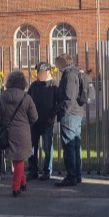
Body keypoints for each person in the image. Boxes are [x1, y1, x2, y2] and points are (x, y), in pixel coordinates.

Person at [0, 71, 38, 197]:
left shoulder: (3, 97)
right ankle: (16, 186)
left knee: (16, 159)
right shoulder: (26, 98)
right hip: (23, 132)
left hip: (8, 132)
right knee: (20, 159)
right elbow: (34, 117)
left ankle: (23, 182)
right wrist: (26, 123)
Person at [54, 54, 84, 187]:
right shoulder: (75, 73)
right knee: (75, 145)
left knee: (69, 146)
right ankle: (77, 175)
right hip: (76, 113)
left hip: (70, 114)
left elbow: (69, 97)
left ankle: (71, 176)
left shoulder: (69, 75)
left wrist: (62, 112)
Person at [27, 62, 59, 182]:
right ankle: (32, 170)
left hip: (47, 121)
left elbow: (59, 103)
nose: (40, 75)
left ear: (48, 72)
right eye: (38, 73)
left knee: (47, 147)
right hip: (34, 122)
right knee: (32, 147)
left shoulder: (53, 86)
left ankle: (47, 171)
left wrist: (52, 116)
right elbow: (27, 100)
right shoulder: (34, 86)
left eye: (42, 73)